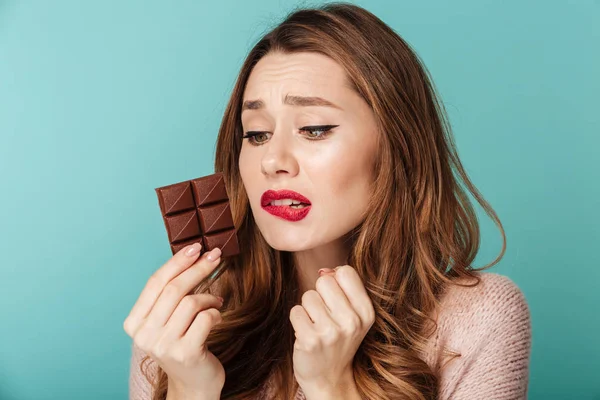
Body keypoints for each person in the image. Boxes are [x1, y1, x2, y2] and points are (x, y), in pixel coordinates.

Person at [124, 3, 532, 399]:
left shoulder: (478, 320)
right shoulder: (180, 332)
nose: (272, 161)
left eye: (314, 129)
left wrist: (332, 387)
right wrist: (188, 391)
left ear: (398, 146)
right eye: (257, 133)